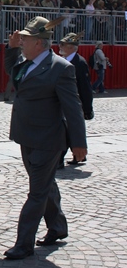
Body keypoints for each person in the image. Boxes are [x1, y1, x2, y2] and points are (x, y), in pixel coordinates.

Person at [3, 16, 87, 260]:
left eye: (26, 39)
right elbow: (13, 72)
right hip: (26, 136)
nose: (22, 42)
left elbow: (73, 108)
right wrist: (10, 49)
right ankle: (58, 227)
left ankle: (23, 243)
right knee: (45, 184)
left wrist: (79, 143)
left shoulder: (60, 68)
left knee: (37, 193)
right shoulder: (26, 61)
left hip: (48, 140)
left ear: (39, 43)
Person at [58, 32, 93, 168]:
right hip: (65, 102)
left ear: (73, 47)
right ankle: (78, 155)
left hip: (75, 102)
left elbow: (85, 87)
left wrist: (87, 108)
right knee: (68, 130)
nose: (60, 46)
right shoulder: (65, 61)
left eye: (64, 45)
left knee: (67, 131)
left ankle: (60, 158)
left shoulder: (79, 63)